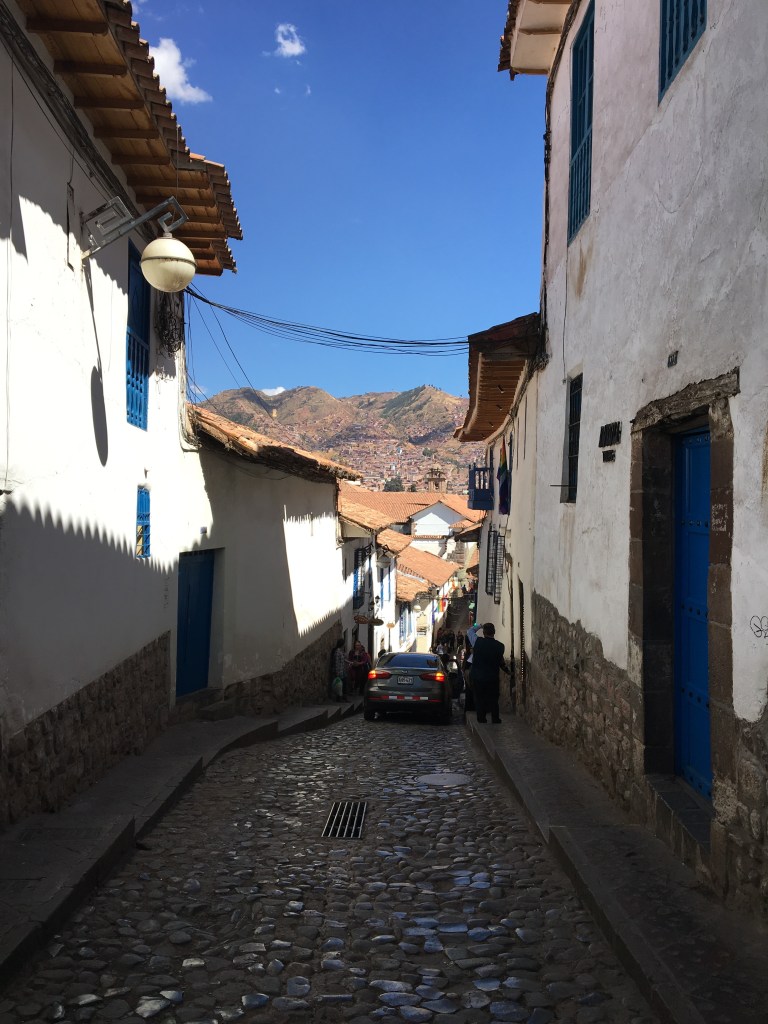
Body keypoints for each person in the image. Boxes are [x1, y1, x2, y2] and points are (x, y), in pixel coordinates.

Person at [470, 622, 510, 724]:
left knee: (480, 698)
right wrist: (509, 672)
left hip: (478, 676)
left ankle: (481, 718)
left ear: (483, 632)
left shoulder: (477, 641)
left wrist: (479, 625)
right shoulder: (500, 646)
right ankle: (495, 718)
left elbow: (470, 631)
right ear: (494, 632)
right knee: (493, 698)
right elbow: (501, 662)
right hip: (492, 677)